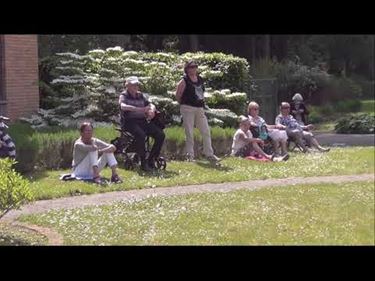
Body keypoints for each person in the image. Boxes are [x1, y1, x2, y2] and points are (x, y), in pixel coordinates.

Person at [175, 60, 220, 163]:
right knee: (189, 132)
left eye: (195, 66)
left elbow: (201, 93)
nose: (194, 68)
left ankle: (209, 154)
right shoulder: (184, 80)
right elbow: (178, 95)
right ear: (187, 69)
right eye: (191, 67)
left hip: (199, 108)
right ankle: (190, 156)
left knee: (206, 131)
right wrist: (184, 104)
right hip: (188, 108)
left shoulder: (200, 79)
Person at [119, 76, 165, 171]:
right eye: (133, 85)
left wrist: (152, 110)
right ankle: (143, 163)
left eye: (137, 85)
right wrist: (138, 109)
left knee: (160, 134)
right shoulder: (124, 95)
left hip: (142, 121)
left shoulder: (140, 95)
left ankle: (151, 159)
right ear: (127, 86)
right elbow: (123, 106)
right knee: (141, 135)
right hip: (129, 122)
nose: (136, 87)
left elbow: (150, 104)